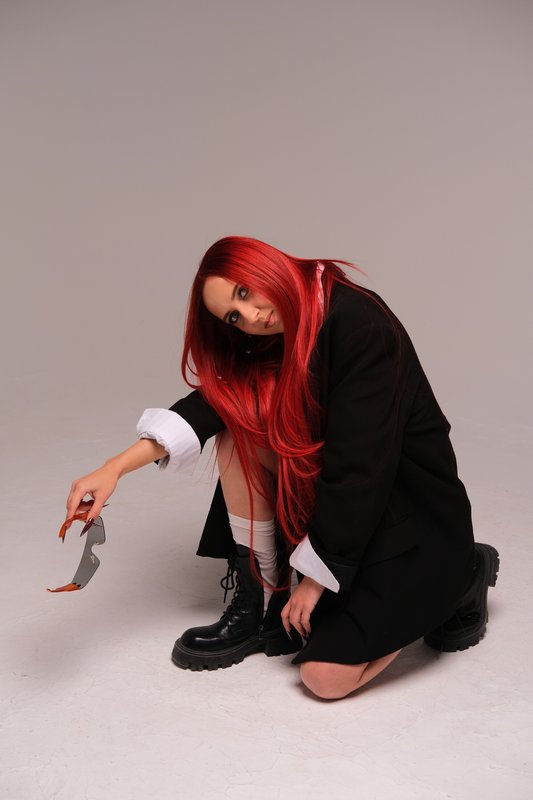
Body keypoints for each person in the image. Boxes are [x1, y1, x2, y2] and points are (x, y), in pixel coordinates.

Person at [65, 236, 499, 700]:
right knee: (237, 427)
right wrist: (113, 468)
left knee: (325, 678)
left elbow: (361, 468)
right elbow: (214, 402)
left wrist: (314, 581)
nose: (251, 317)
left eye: (244, 292)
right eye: (234, 316)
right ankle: (261, 600)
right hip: (348, 512)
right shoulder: (282, 329)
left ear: (265, 266)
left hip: (408, 514)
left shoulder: (359, 322)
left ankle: (462, 573)